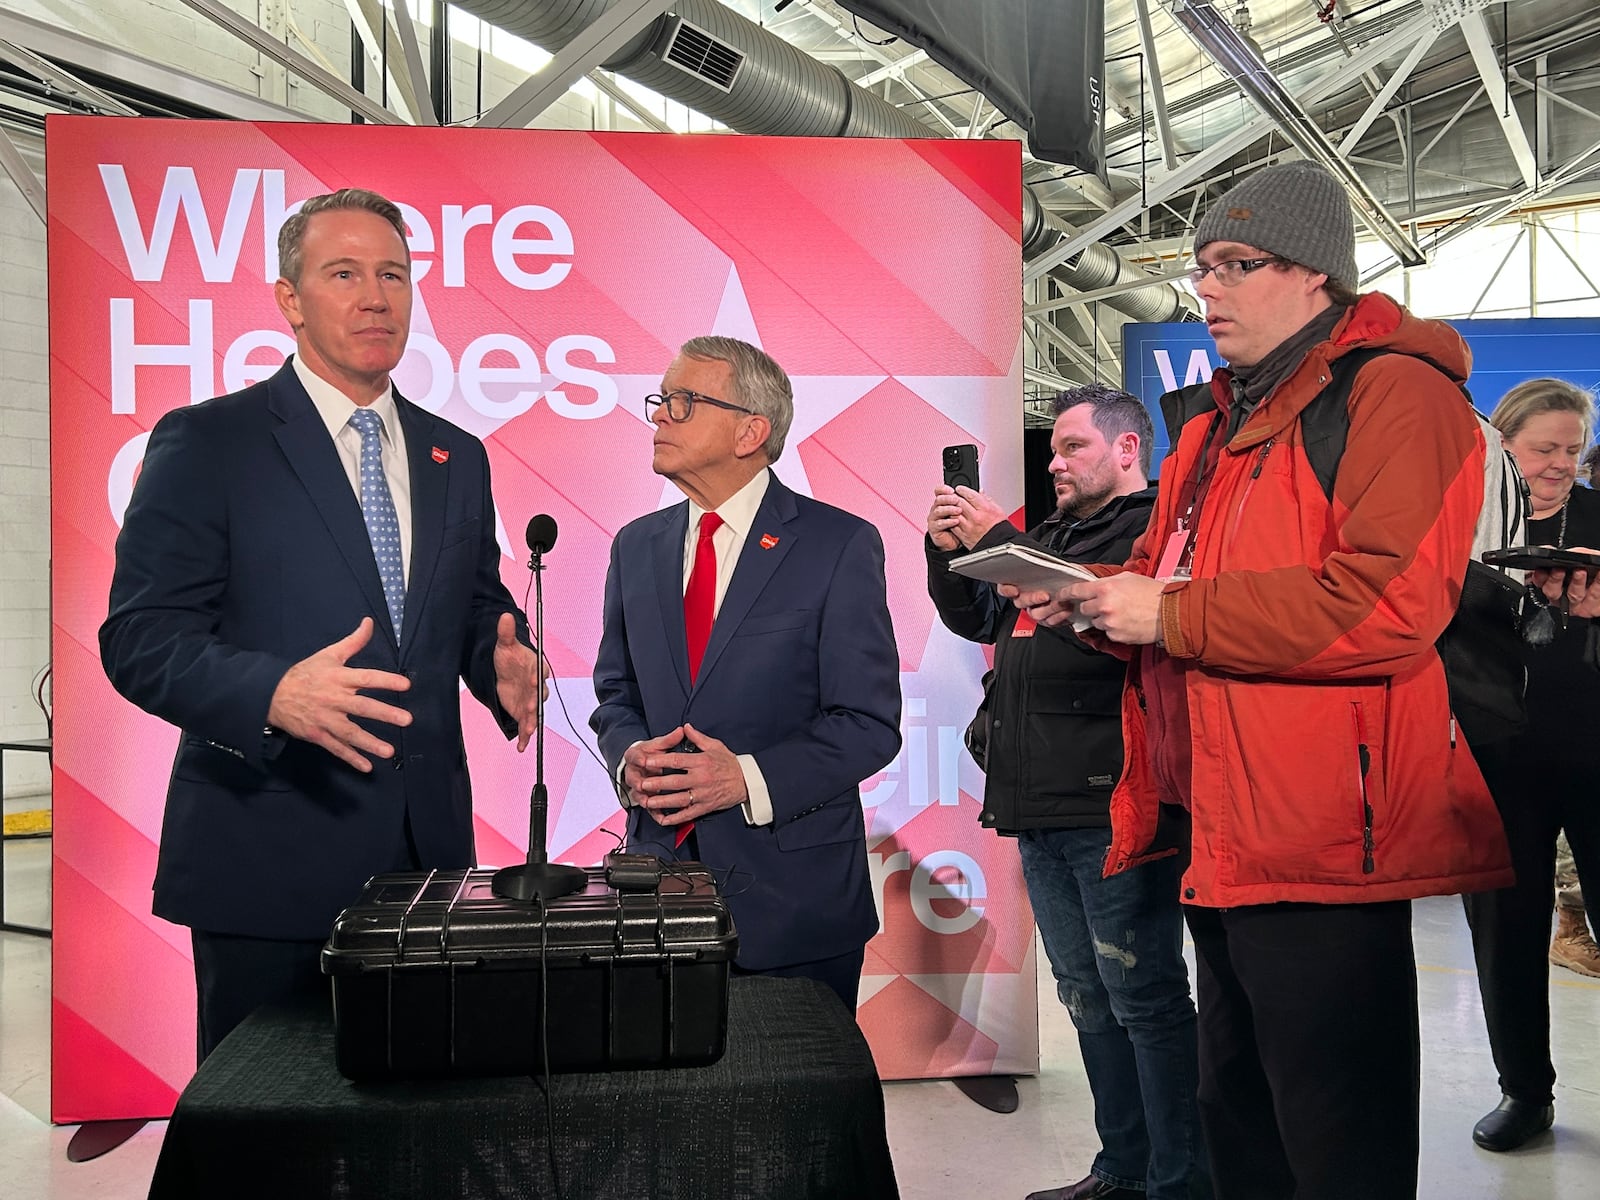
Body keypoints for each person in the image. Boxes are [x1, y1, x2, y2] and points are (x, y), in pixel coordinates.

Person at [1008, 160, 1512, 1199]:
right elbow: (1181, 584)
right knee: (1238, 1112)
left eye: (1237, 264)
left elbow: (1386, 605)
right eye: (1200, 267)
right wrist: (1102, 598)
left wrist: (1170, 613)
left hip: (1321, 826)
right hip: (1216, 816)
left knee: (1335, 1133)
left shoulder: (1397, 395)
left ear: (1314, 274)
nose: (1209, 288)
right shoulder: (1217, 423)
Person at [100, 188, 547, 1061]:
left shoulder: (458, 453)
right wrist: (271, 692)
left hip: (426, 863)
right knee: (266, 1144)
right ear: (290, 299)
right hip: (266, 861)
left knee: (414, 1135)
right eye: (343, 273)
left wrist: (500, 660)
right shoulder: (208, 442)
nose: (374, 296)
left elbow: (470, 604)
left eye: (393, 274)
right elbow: (140, 637)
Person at [926, 386, 1207, 1200]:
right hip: (1039, 798)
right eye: (1052, 450)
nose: (1053, 461)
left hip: (1115, 802)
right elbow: (979, 620)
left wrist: (1004, 541)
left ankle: (1179, 1180)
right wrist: (946, 550)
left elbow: (1106, 613)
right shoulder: (1048, 537)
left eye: (1073, 447)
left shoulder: (1150, 531)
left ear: (1127, 450)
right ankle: (1122, 1167)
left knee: (1144, 997)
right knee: (1087, 996)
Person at [590, 336, 901, 1015]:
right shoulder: (634, 546)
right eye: (660, 401)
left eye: (682, 402)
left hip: (795, 902)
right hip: (656, 896)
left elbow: (869, 726)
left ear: (750, 431)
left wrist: (746, 777)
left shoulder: (837, 544)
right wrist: (628, 756)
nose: (659, 417)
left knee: (800, 1116)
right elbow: (616, 691)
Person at [1462, 377, 1600, 1150]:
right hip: (1498, 759)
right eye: (1544, 449)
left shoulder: (1598, 521)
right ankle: (1525, 1091)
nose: (1559, 465)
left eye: (1573, 451)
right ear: (1503, 445)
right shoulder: (1465, 527)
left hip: (1595, 752)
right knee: (1504, 936)